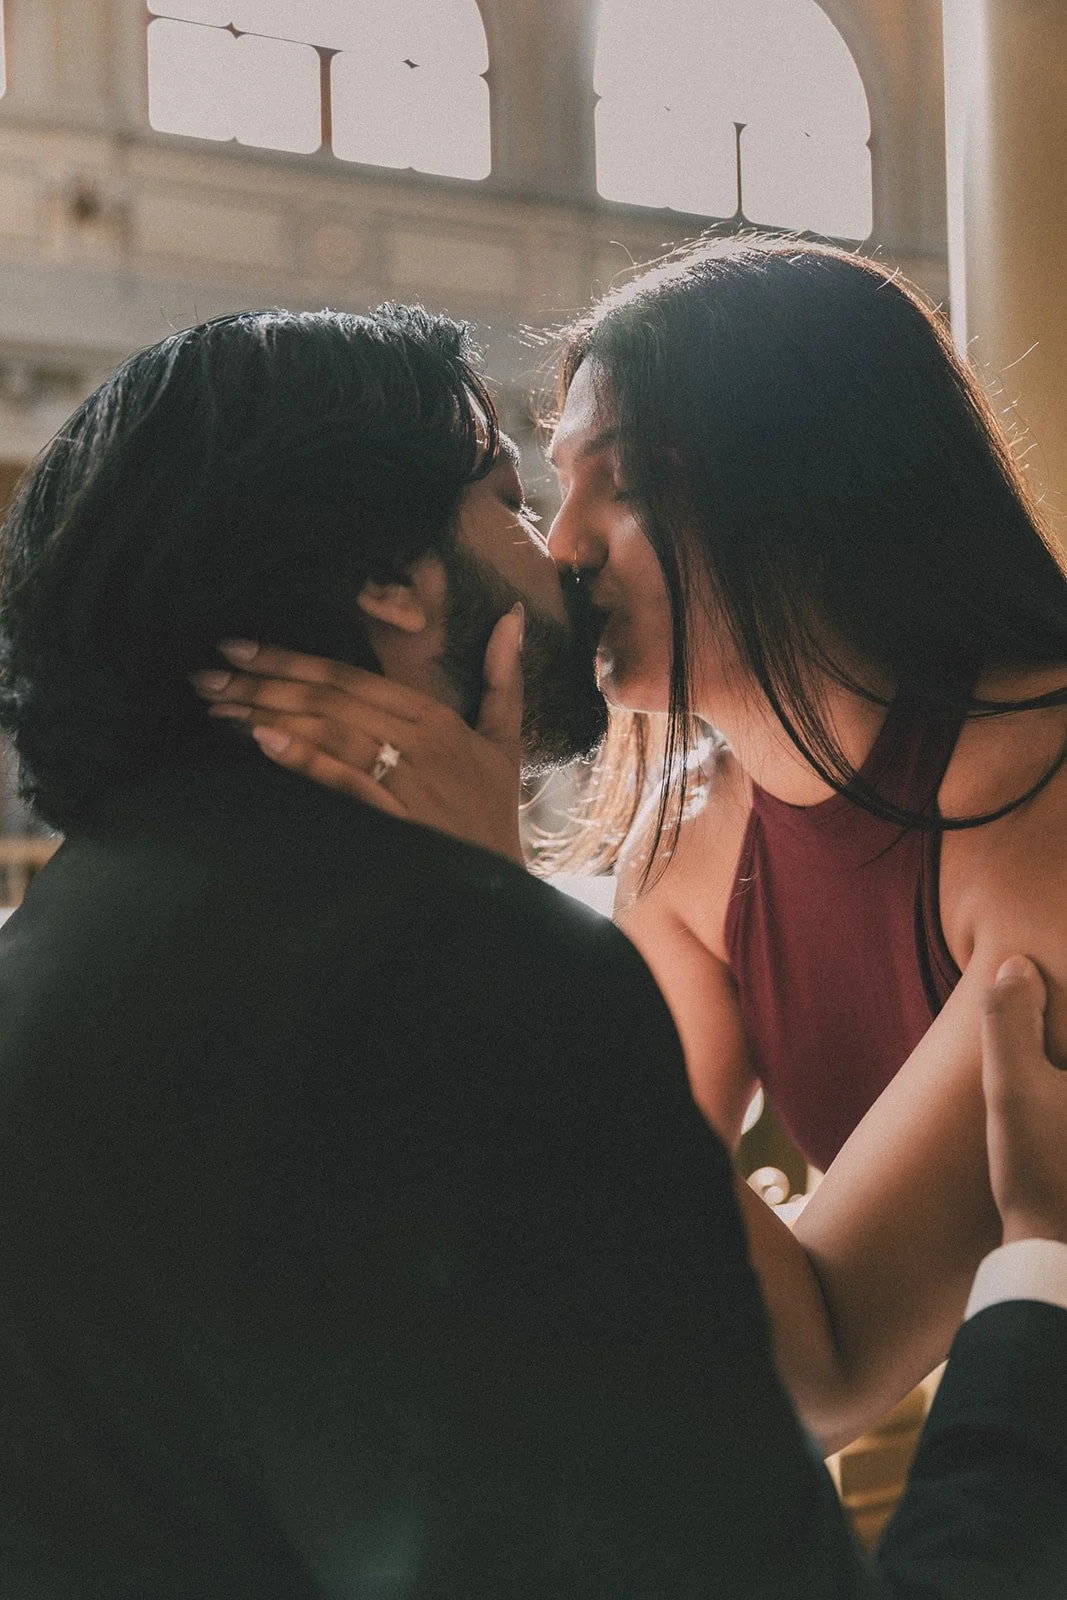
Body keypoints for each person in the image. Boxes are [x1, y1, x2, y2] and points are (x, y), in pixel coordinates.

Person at [1, 302, 1066, 1599]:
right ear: (387, 581)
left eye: (601, 485)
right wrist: (1041, 1249)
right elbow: (727, 1331)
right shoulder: (477, 960)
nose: (556, 547)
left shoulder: (65, 955)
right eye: (518, 493)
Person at [206, 238, 1067, 1451]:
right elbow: (610, 1235)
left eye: (624, 482)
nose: (561, 549)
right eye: (555, 490)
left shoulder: (1040, 799)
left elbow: (814, 1369)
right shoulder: (686, 846)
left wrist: (490, 904)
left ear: (808, 479)